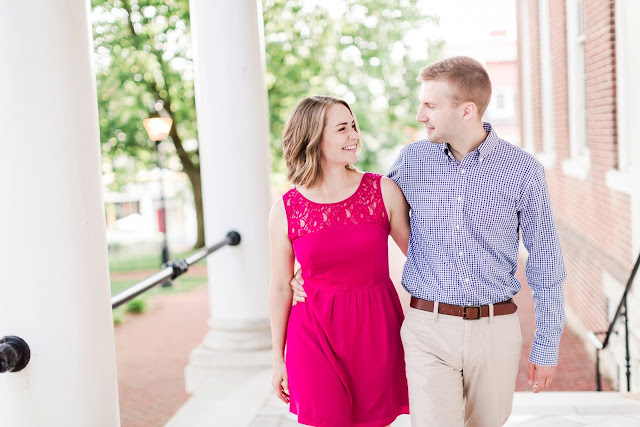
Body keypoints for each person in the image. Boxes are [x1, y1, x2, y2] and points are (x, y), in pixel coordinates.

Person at [291, 57, 566, 426]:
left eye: (430, 105)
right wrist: (309, 269)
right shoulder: (412, 161)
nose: (420, 114)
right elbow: (363, 213)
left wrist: (547, 344)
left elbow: (546, 260)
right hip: (428, 328)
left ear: (466, 110)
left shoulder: (522, 170)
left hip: (495, 330)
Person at [268, 95, 411, 427]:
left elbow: (422, 260)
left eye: (354, 127)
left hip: (376, 331)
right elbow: (279, 287)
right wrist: (278, 358)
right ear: (315, 137)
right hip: (312, 330)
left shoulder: (383, 191)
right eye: (343, 129)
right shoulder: (286, 209)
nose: (354, 136)